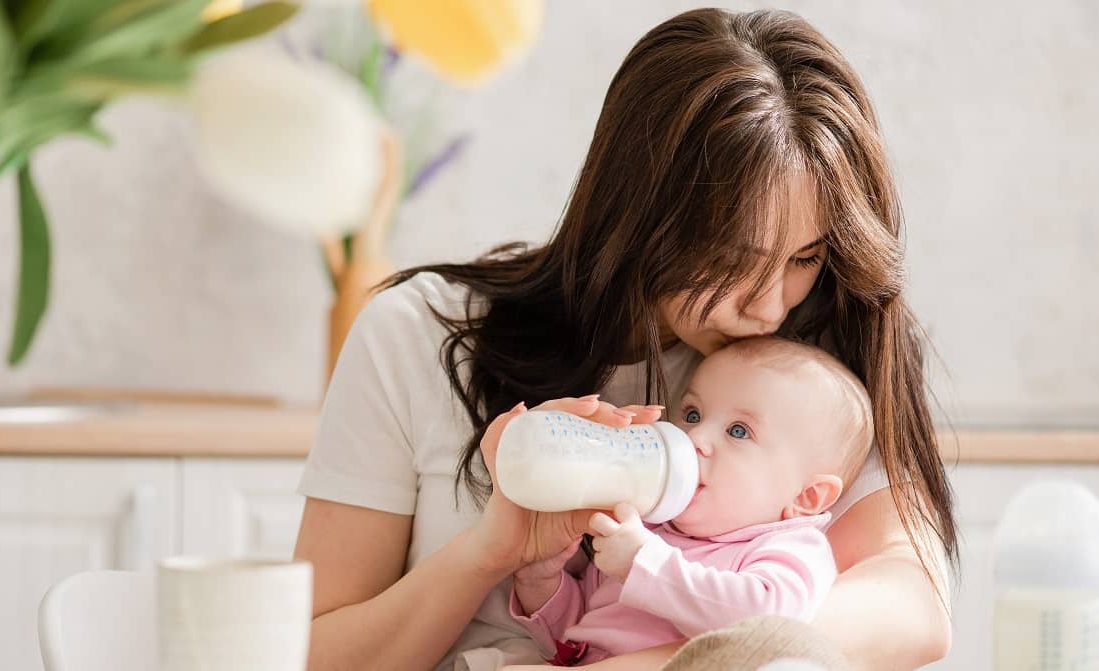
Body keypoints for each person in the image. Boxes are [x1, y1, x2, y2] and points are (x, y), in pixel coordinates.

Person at [295, 8, 955, 671]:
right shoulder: (417, 333)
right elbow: (313, 656)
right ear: (638, 213)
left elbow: (913, 607)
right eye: (734, 259)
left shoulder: (808, 371)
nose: (770, 306)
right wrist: (488, 554)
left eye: (805, 257)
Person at [505, 337, 874, 667]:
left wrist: (643, 563)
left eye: (738, 431)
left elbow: (766, 624)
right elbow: (578, 635)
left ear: (806, 496)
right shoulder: (646, 528)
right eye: (693, 415)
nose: (695, 436)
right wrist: (541, 582)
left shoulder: (788, 547)